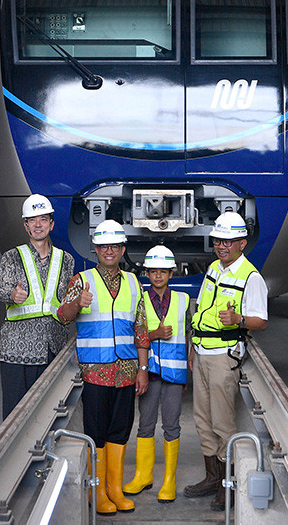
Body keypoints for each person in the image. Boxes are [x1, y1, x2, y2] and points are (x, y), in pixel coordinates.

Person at [57, 219, 151, 515]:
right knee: (95, 431)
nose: (109, 251)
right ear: (95, 249)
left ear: (123, 249)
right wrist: (78, 303)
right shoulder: (81, 281)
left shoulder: (134, 283)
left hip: (126, 370)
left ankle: (114, 488)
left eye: (114, 246)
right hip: (95, 372)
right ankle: (96, 492)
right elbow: (63, 316)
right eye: (103, 246)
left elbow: (141, 329)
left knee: (120, 430)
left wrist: (143, 368)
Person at [184, 211, 268, 511]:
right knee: (202, 420)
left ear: (242, 243)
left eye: (229, 241)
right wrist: (193, 348)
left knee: (222, 422)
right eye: (219, 240)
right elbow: (201, 311)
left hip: (223, 357)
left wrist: (238, 319)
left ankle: (226, 485)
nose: (222, 246)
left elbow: (261, 321)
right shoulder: (213, 270)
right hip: (203, 352)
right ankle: (211, 477)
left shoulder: (251, 277)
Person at [123, 245, 192, 503]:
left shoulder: (183, 301)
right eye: (153, 271)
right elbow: (132, 335)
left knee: (172, 426)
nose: (158, 276)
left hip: (174, 375)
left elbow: (188, 337)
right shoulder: (139, 299)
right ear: (147, 274)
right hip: (149, 372)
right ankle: (143, 475)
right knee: (146, 424)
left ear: (171, 274)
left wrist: (187, 370)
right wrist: (154, 335)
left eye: (163, 271)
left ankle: (169, 480)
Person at [0, 194, 74, 419]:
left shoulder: (65, 259)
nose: (38, 225)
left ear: (52, 224)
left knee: (48, 415)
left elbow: (65, 301)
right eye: (32, 220)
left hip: (52, 347)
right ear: (26, 225)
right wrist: (13, 294)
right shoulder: (12, 257)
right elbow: (2, 290)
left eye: (43, 219)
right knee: (14, 417)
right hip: (17, 352)